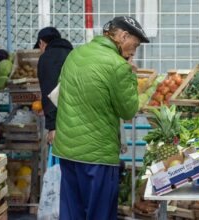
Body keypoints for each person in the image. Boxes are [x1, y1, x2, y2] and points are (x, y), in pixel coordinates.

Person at [52, 16, 149, 219]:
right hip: (97, 156)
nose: (134, 51)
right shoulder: (118, 66)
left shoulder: (75, 54)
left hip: (67, 151)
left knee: (72, 213)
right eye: (135, 44)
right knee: (100, 214)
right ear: (123, 36)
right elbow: (128, 110)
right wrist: (132, 74)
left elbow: (60, 93)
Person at [34, 27, 73, 144]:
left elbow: (50, 89)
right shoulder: (73, 54)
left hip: (61, 122)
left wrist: (52, 126)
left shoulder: (46, 58)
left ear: (42, 43)